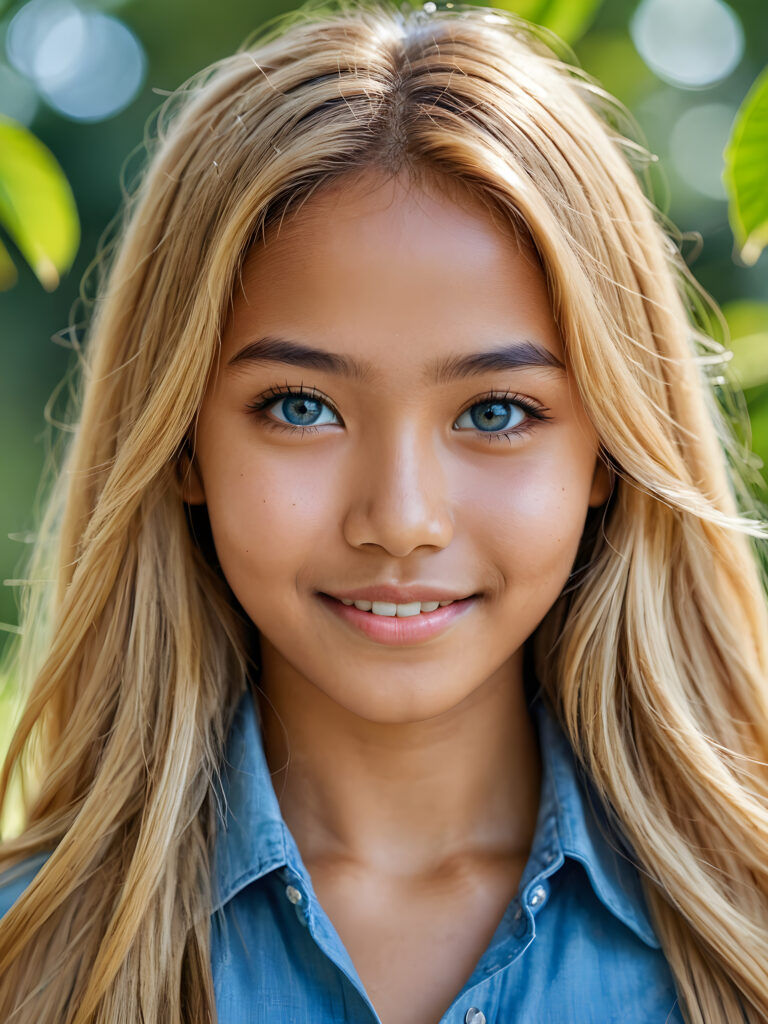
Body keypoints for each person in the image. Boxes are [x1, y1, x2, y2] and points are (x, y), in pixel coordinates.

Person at [1, 0, 767, 1020]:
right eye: (301, 407)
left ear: (610, 452)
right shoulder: (29, 961)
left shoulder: (744, 939)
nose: (401, 519)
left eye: (496, 411)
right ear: (182, 441)